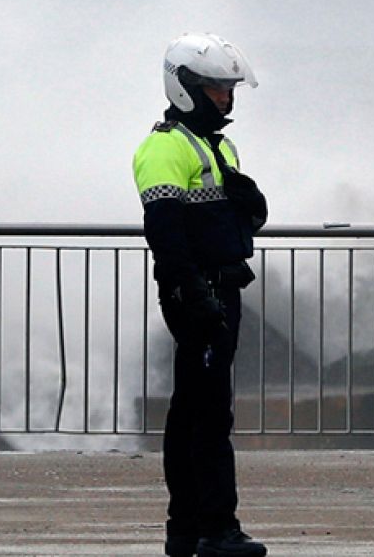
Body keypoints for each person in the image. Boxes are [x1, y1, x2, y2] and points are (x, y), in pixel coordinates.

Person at [133, 33, 270, 557]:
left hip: (223, 288)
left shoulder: (219, 146)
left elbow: (242, 221)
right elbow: (166, 237)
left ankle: (186, 530)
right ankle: (217, 529)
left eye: (229, 87)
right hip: (198, 294)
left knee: (194, 408)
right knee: (208, 415)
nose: (225, 97)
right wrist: (195, 295)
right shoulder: (164, 147)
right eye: (215, 87)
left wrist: (253, 202)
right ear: (186, 86)